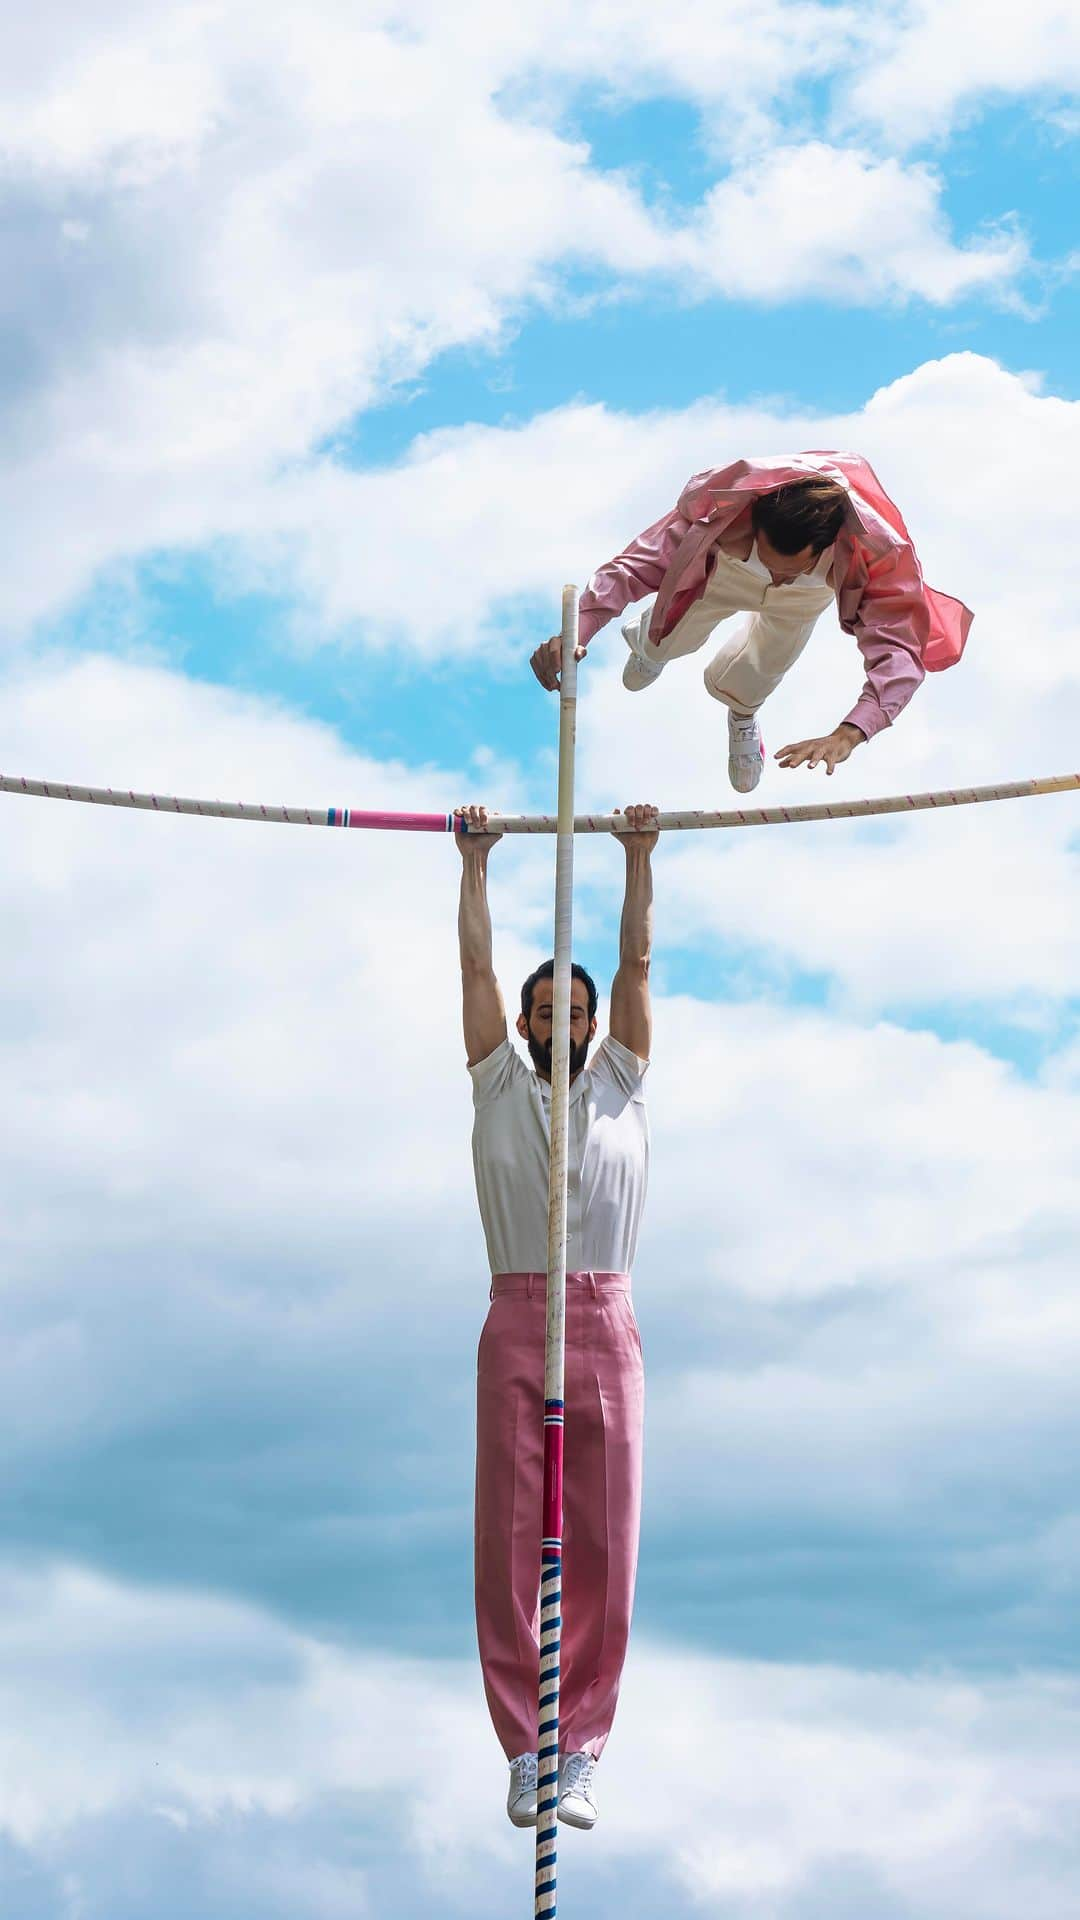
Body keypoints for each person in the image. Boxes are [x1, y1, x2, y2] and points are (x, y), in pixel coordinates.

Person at [456, 799, 658, 1832]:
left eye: (575, 1009)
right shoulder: (497, 1080)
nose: (562, 1020)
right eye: (548, 1009)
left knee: (604, 1542)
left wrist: (637, 856)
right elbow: (476, 977)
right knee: (508, 1540)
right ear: (529, 1025)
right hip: (516, 1311)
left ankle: (578, 1745)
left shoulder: (622, 1075)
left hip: (605, 1317)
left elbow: (635, 967)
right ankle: (522, 1750)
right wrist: (476, 865)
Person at [530, 451, 972, 793]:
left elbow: (899, 650)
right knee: (671, 632)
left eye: (791, 567)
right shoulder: (719, 516)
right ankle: (650, 649)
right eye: (774, 561)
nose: (778, 577)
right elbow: (630, 569)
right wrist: (576, 632)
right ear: (753, 524)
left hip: (808, 595)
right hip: (726, 570)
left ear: (826, 546)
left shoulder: (873, 551)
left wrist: (851, 732)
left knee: (766, 663)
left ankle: (742, 711)